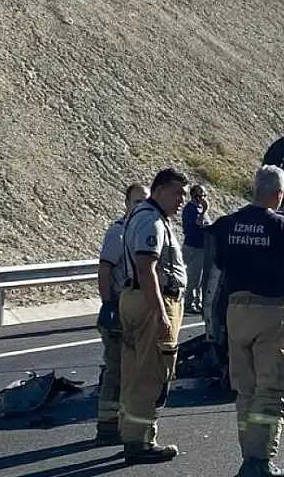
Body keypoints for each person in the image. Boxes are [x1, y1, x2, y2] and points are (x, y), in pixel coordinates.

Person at [209, 164, 284, 477]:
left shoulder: (228, 224)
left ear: (254, 189)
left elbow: (219, 260)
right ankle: (259, 462)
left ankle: (250, 456)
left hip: (236, 311)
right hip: (272, 312)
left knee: (246, 389)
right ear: (279, 194)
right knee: (273, 387)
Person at [118, 167, 190, 464]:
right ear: (158, 190)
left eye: (184, 195)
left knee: (135, 372)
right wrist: (161, 313)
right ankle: (141, 443)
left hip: (138, 300)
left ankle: (132, 434)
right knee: (151, 373)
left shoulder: (148, 217)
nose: (181, 200)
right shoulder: (152, 220)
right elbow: (146, 267)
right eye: (176, 193)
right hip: (151, 304)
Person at [94, 182, 149, 445]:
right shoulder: (119, 232)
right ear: (127, 203)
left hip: (133, 310)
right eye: (136, 202)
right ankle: (107, 426)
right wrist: (108, 305)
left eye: (145, 201)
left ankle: (122, 424)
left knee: (129, 371)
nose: (141, 206)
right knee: (116, 369)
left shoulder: (137, 230)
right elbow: (105, 270)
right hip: (118, 307)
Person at [181, 184, 212, 314]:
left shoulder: (199, 209)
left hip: (202, 247)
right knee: (194, 277)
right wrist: (205, 210)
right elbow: (198, 223)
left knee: (200, 278)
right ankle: (189, 303)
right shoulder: (190, 209)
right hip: (193, 246)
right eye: (202, 195)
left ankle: (197, 302)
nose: (204, 198)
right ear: (195, 195)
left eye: (205, 195)